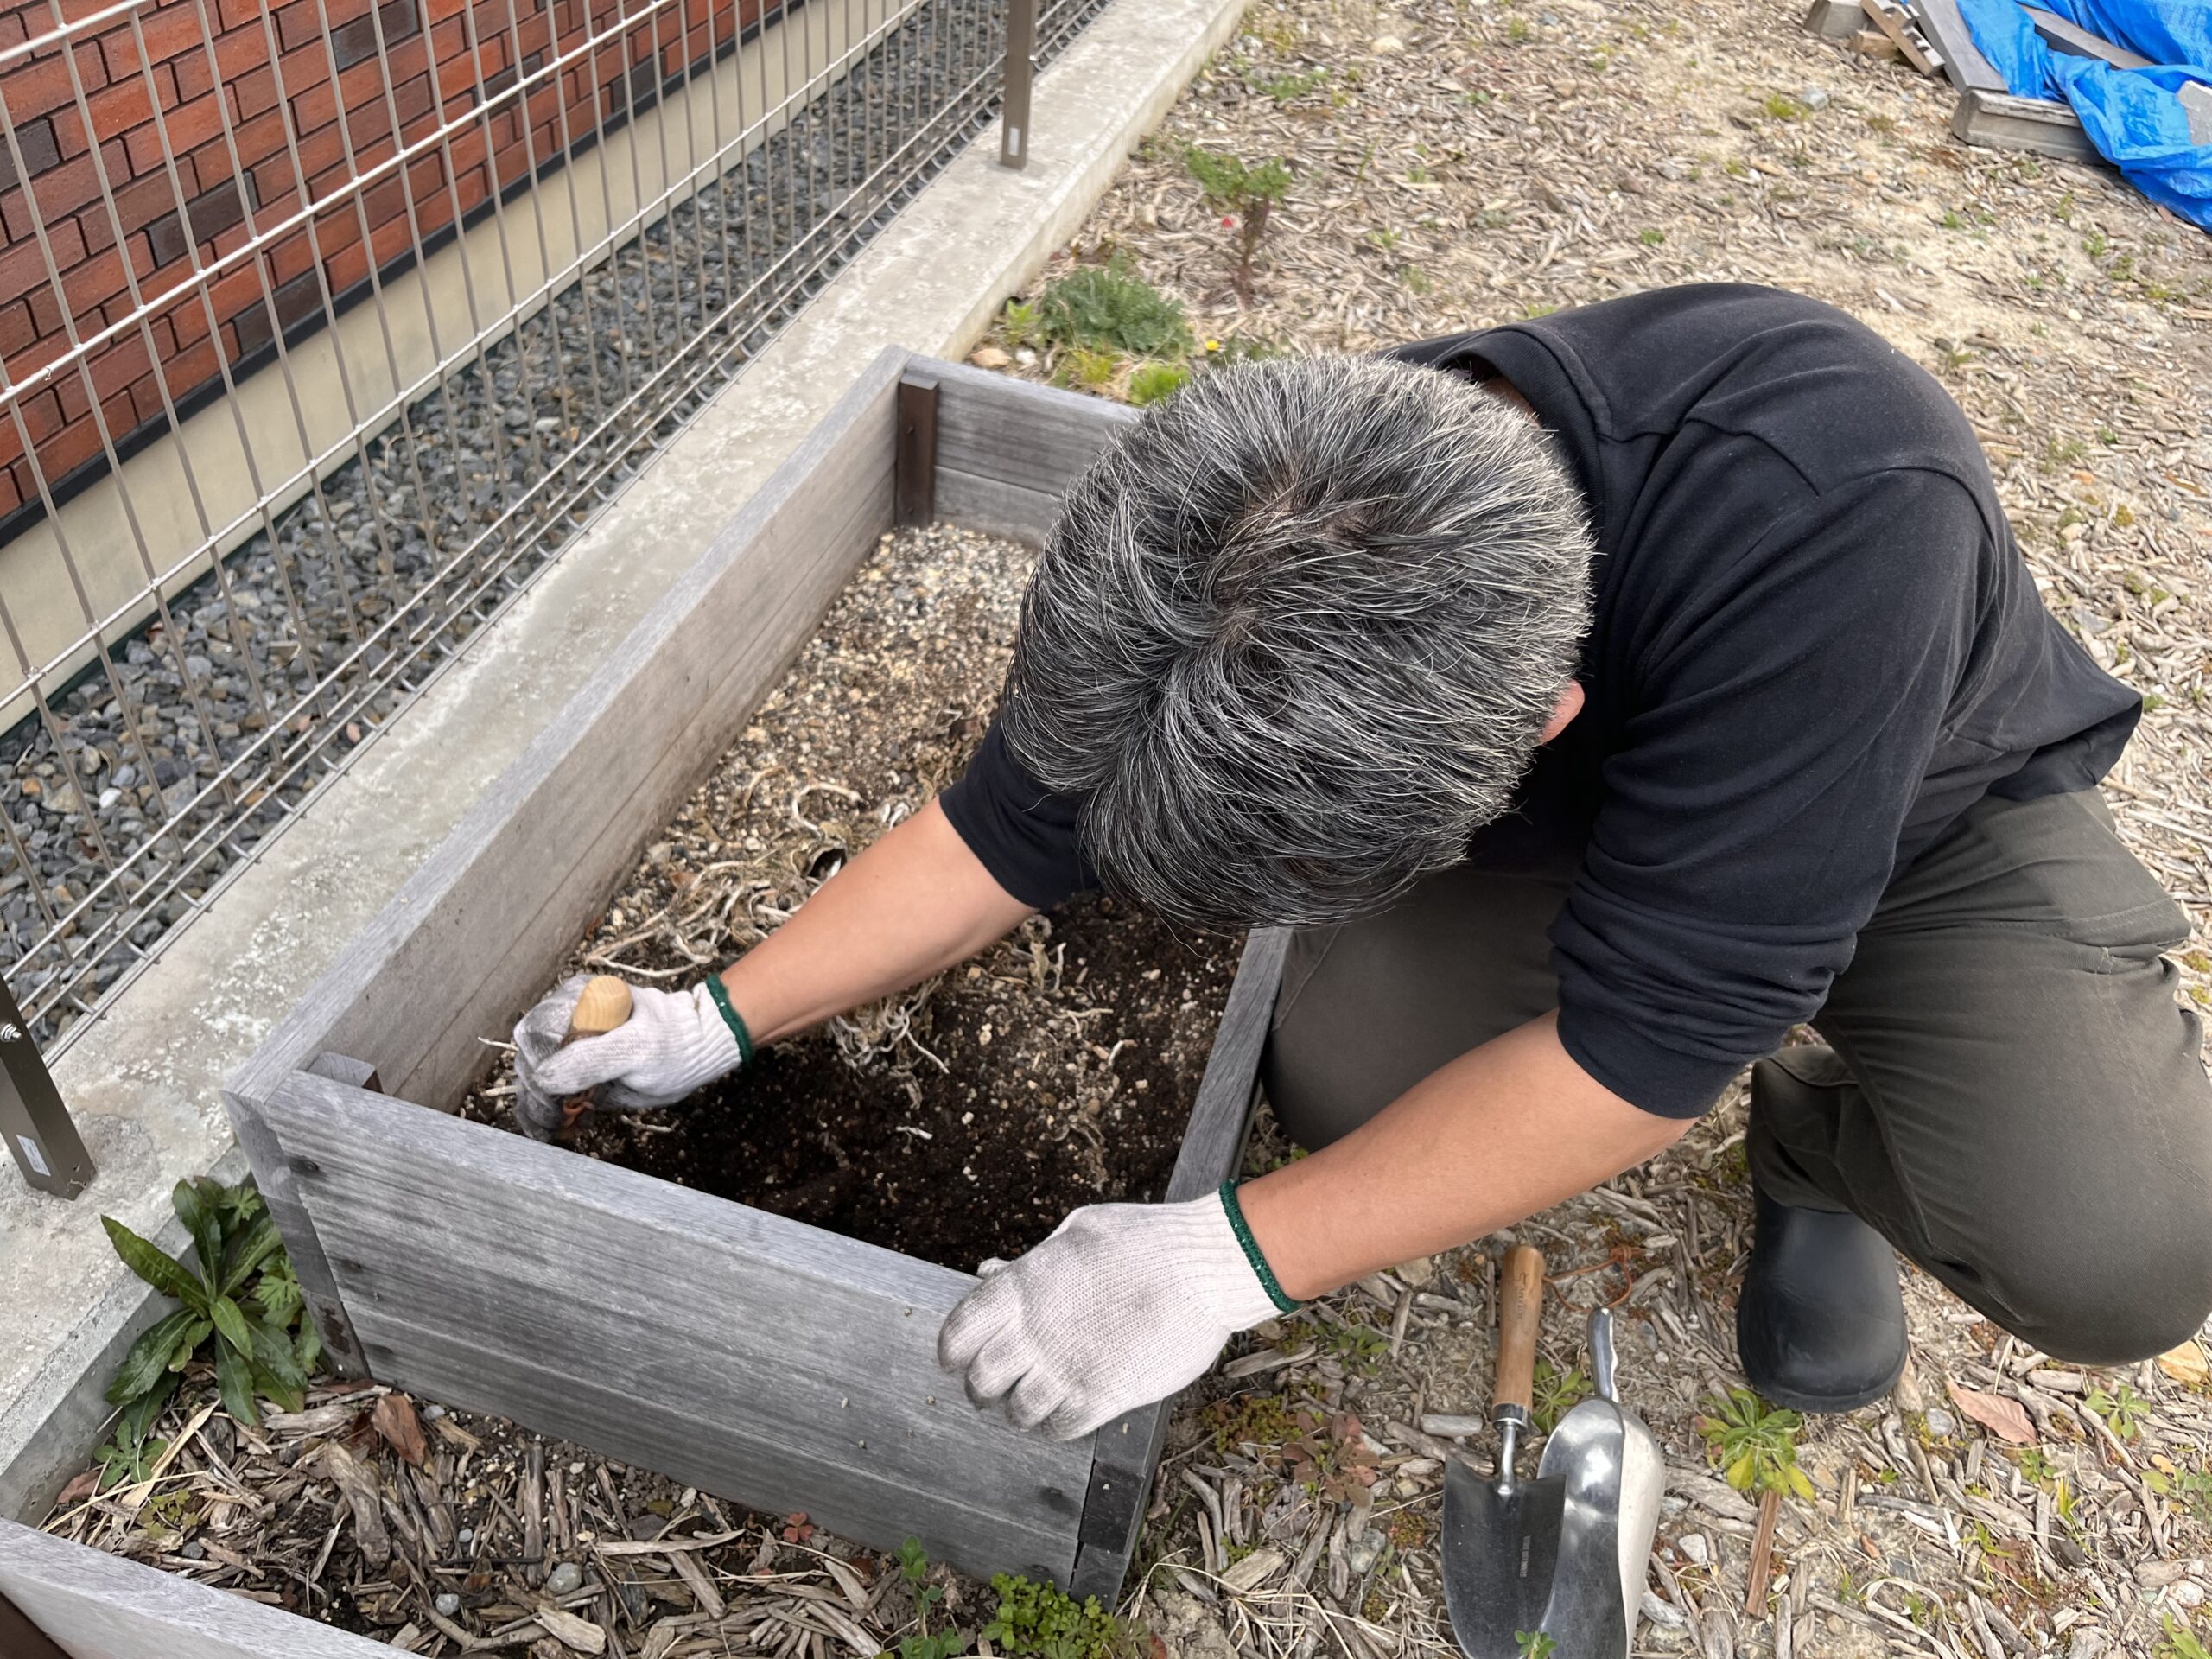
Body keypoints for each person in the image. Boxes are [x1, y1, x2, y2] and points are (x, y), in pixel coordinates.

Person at [512, 283, 2212, 1444]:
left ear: (1539, 723)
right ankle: (1723, 1027)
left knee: (2119, 1246)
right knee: (1344, 1085)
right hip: (1600, 827)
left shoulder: (1835, 497)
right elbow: (1004, 825)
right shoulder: (1241, 512)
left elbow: (1637, 1057)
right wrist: (710, 1020)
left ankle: (1817, 1146)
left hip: (1921, 817)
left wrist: (1210, 1267)